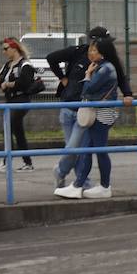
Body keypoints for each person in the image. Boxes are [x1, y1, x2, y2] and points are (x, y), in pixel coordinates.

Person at [55, 38, 126, 201]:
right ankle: (82, 185)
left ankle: (97, 186)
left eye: (94, 50)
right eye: (90, 50)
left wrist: (87, 74)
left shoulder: (105, 69)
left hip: (102, 114)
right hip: (100, 113)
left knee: (97, 150)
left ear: (103, 52)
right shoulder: (103, 66)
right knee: (90, 150)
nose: (90, 53)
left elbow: (87, 89)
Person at [46, 32, 95, 190]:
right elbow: (51, 57)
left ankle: (67, 175)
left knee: (77, 148)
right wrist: (62, 77)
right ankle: (70, 177)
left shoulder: (104, 61)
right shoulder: (78, 51)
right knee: (72, 149)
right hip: (68, 107)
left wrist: (127, 93)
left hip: (84, 111)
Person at [0, 37, 37, 171]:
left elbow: (25, 83)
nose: (4, 52)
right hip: (10, 101)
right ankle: (28, 163)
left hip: (21, 100)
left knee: (7, 127)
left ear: (14, 48)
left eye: (6, 49)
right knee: (17, 131)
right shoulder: (7, 65)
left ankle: (6, 161)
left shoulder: (25, 65)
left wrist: (8, 84)